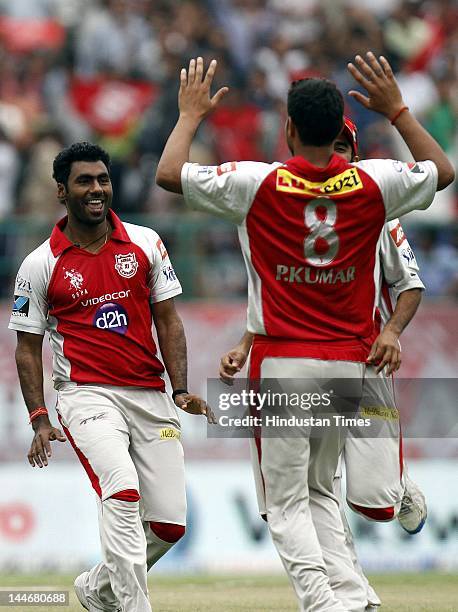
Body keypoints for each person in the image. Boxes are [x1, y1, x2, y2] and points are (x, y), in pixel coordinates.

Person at [156, 53, 454, 611]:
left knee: (285, 503)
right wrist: (398, 110)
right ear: (342, 124)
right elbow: (443, 170)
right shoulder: (377, 182)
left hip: (285, 366)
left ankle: (322, 602)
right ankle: (355, 597)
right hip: (347, 363)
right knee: (318, 492)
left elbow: (170, 174)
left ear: (288, 129)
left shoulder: (255, 182)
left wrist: (190, 114)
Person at [219, 116, 427, 610]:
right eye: (329, 143)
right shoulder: (286, 204)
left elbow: (411, 284)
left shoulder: (378, 209)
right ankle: (352, 597)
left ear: (354, 154)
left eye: (343, 146)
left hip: (369, 359)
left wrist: (392, 332)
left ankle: (398, 490)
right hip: (314, 360)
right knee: (320, 488)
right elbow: (282, 292)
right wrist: (247, 343)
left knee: (373, 501)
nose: (335, 153)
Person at [9, 142, 214, 612]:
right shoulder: (38, 265)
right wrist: (40, 416)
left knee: (168, 524)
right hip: (84, 396)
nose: (97, 188)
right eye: (85, 181)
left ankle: (97, 590)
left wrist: (180, 389)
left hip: (149, 394)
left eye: (103, 179)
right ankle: (131, 605)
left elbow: (169, 319)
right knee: (121, 488)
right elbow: (26, 348)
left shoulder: (145, 242)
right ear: (61, 192)